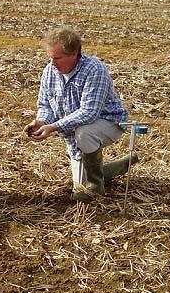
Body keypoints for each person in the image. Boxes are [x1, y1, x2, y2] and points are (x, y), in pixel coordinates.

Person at [24, 27, 138, 203]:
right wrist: (41, 120)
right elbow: (45, 104)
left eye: (57, 58)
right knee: (79, 184)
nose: (52, 63)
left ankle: (96, 186)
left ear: (74, 53)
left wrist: (53, 127)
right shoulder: (49, 71)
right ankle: (113, 168)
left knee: (84, 134)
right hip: (75, 129)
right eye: (50, 57)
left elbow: (89, 113)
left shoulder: (95, 69)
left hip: (108, 122)